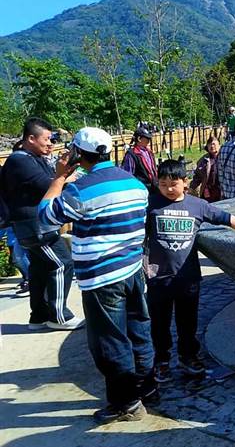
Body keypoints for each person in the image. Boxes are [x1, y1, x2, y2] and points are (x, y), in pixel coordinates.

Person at [38, 127, 155, 423]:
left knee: (109, 341)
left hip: (102, 278)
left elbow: (45, 218)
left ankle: (127, 404)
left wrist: (59, 177)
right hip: (132, 270)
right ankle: (147, 387)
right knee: (138, 330)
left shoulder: (80, 190)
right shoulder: (135, 184)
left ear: (78, 153)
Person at [146, 159, 235, 382]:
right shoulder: (150, 205)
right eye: (163, 184)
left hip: (187, 278)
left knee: (187, 322)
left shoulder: (197, 205)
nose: (168, 189)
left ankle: (188, 357)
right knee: (159, 323)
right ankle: (161, 361)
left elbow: (225, 217)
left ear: (185, 182)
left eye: (174, 183)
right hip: (158, 278)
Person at [0, 118, 81, 331]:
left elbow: (53, 180)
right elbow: (48, 185)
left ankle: (38, 317)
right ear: (31, 138)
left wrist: (63, 175)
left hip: (31, 225)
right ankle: (59, 316)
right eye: (46, 139)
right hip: (34, 226)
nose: (50, 143)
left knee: (40, 269)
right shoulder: (20, 160)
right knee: (62, 263)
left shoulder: (34, 158)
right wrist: (64, 177)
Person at [122, 127, 158, 191]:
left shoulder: (149, 152)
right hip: (141, 188)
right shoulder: (131, 154)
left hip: (153, 187)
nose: (149, 140)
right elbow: (128, 174)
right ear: (139, 139)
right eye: (147, 138)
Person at [189, 136, 223, 202]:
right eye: (210, 144)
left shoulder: (223, 158)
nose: (212, 146)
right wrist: (192, 188)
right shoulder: (203, 160)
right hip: (208, 192)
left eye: (214, 144)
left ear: (219, 145)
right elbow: (197, 176)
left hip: (222, 190)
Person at [0, 226, 30, 293]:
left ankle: (29, 279)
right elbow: (2, 228)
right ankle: (27, 278)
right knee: (15, 261)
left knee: (19, 259)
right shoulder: (5, 217)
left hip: (19, 240)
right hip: (11, 242)